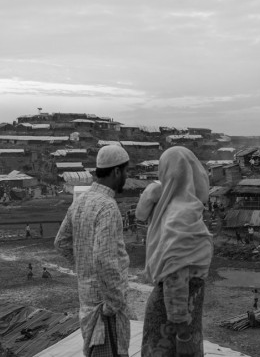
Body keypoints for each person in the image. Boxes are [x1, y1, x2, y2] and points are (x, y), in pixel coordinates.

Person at [55, 144, 132, 357]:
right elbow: (104, 259)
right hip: (106, 309)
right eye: (126, 171)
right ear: (116, 171)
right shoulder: (107, 207)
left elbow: (61, 243)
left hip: (88, 303)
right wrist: (115, 302)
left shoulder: (81, 202)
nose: (126, 176)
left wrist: (84, 268)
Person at [136, 147, 213, 357]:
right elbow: (175, 278)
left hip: (175, 315)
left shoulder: (171, 209)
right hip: (172, 321)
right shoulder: (181, 214)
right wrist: (184, 335)